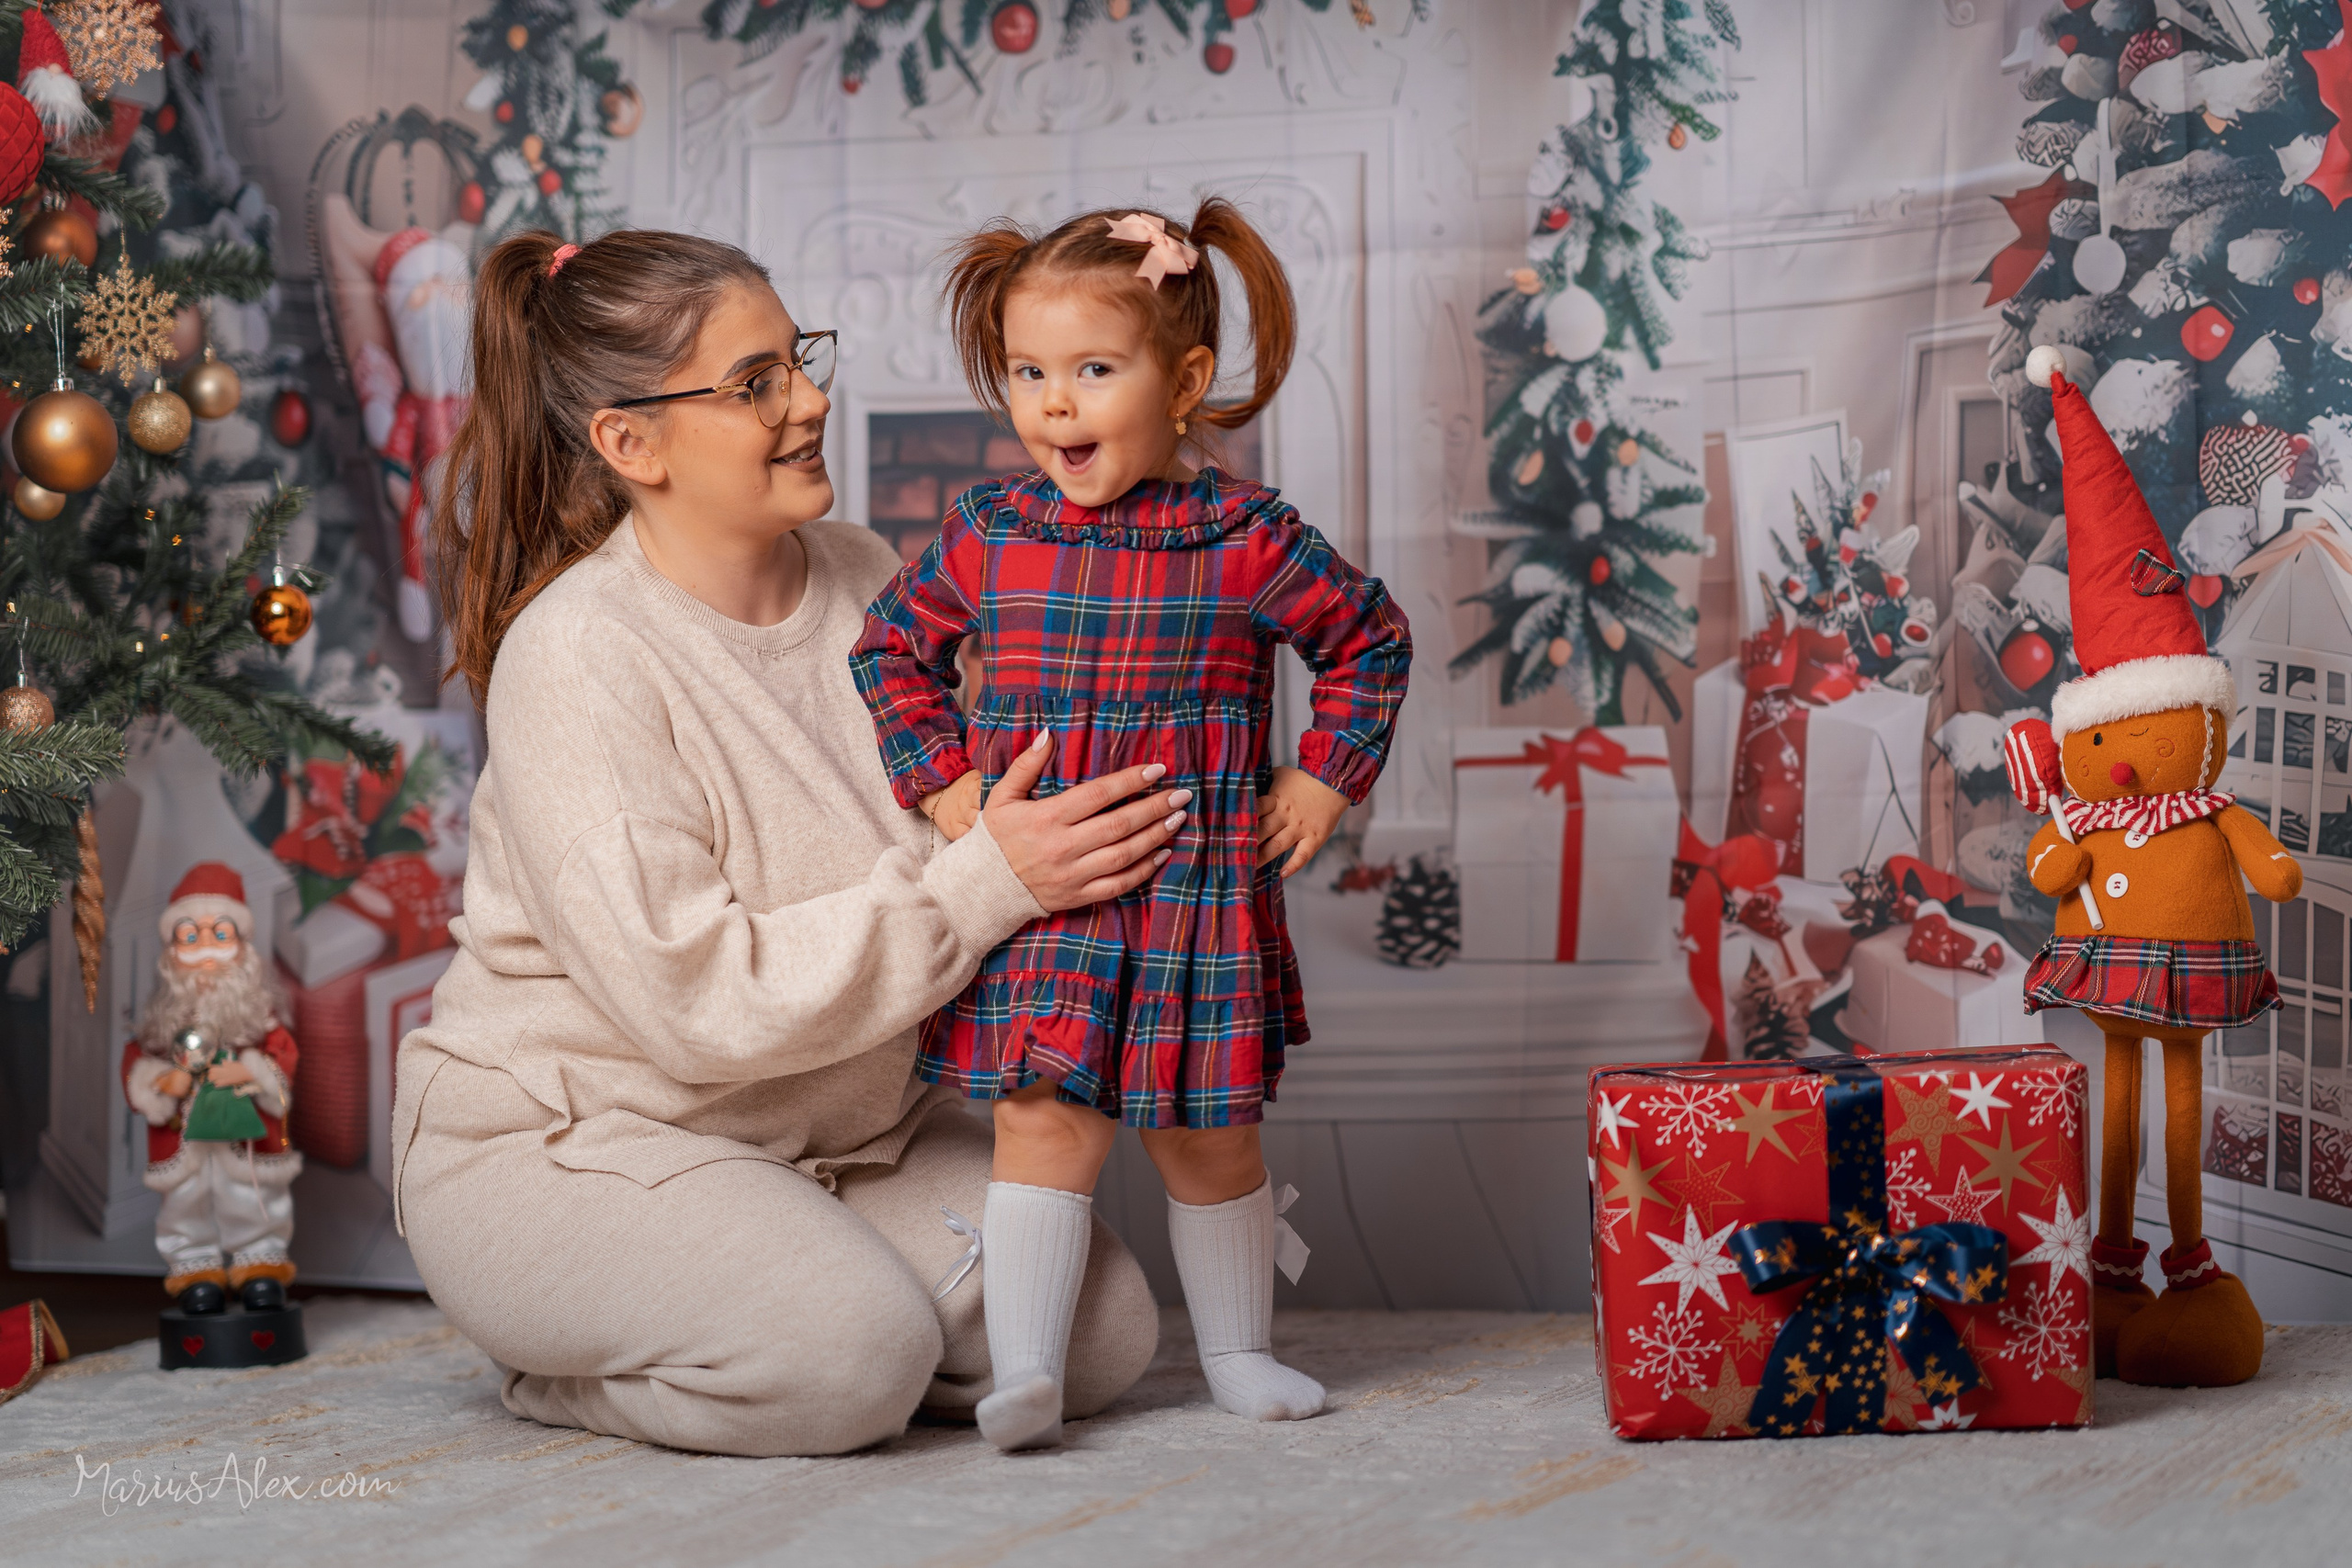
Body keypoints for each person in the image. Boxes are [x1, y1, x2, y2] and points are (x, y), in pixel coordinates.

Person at [392, 229, 1192, 1459]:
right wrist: (985, 886)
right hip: (578, 1137)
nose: (810, 398)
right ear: (631, 442)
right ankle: (563, 1367)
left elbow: (978, 806)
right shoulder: (581, 657)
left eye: (798, 359)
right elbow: (695, 1004)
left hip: (835, 1133)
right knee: (848, 1359)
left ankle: (791, 1278)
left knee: (1097, 1332)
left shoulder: (865, 573)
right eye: (755, 381)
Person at [850, 200, 1412, 1451]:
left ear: (1187, 380)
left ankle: (1239, 1352)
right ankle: (1029, 1369)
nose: (1055, 405)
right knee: (1040, 1116)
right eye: (1030, 374)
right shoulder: (994, 534)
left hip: (1198, 887)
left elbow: (1368, 637)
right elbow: (890, 646)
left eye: (1094, 371)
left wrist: (1324, 775)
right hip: (1050, 884)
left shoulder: (1243, 537)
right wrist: (943, 781)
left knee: (1207, 1134)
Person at [120, 863, 302, 1314]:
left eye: (221, 936)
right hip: (184, 1139)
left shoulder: (259, 1021)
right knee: (186, 1200)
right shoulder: (162, 1023)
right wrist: (168, 1081)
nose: (207, 951)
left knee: (254, 1197)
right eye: (191, 936)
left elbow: (284, 1057)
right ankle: (194, 1268)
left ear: (243, 949)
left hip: (247, 1137)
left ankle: (260, 1265)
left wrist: (251, 1072)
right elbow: (137, 1066)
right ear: (171, 952)